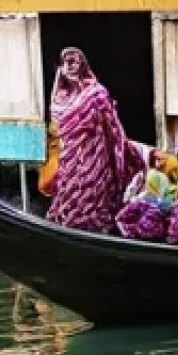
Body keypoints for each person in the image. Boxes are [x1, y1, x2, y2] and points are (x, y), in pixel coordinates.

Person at [46, 48, 134, 234]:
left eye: (74, 62)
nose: (70, 66)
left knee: (95, 195)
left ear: (82, 65)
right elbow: (58, 125)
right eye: (66, 62)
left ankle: (98, 229)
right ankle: (70, 226)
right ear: (60, 67)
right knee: (70, 193)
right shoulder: (58, 97)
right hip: (70, 158)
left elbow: (112, 125)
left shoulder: (96, 92)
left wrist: (118, 150)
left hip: (94, 155)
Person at [116, 168, 175, 243]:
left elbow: (120, 218)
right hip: (149, 237)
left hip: (142, 237)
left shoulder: (144, 202)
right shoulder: (142, 202)